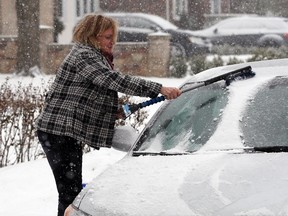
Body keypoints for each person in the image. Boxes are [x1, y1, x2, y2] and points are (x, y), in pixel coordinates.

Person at [36, 14, 181, 216]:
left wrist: (112, 112)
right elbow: (112, 80)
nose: (112, 41)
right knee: (70, 194)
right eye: (107, 37)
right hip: (57, 132)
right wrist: (158, 88)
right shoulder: (84, 56)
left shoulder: (93, 56)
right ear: (92, 37)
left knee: (71, 192)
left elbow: (86, 95)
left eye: (113, 36)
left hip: (61, 133)